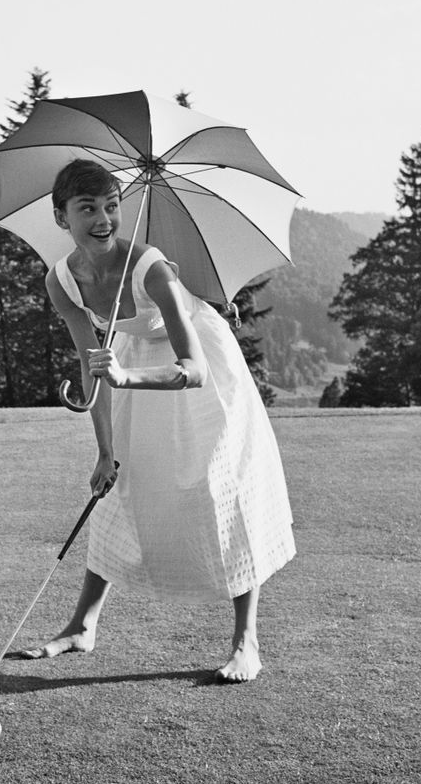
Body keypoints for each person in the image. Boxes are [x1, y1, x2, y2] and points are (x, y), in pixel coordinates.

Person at [22, 158, 296, 683]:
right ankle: (83, 624)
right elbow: (91, 364)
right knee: (119, 489)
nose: (103, 219)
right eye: (88, 209)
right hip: (128, 363)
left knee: (222, 490)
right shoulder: (62, 283)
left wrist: (126, 379)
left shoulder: (151, 268)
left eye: (111, 206)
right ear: (62, 218)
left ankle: (247, 641)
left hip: (201, 371)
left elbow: (193, 369)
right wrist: (104, 449)